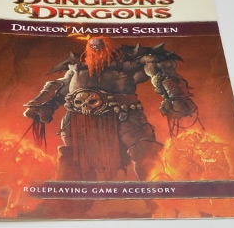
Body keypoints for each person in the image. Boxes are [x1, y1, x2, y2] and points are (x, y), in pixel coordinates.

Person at [23, 37, 197, 181]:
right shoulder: (77, 67)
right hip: (79, 121)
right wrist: (42, 105)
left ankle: (158, 193)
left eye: (100, 47)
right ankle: (69, 200)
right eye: (92, 47)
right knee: (72, 157)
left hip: (124, 115)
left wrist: (176, 98)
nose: (96, 49)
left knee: (144, 151)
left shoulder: (128, 63)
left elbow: (159, 69)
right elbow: (61, 86)